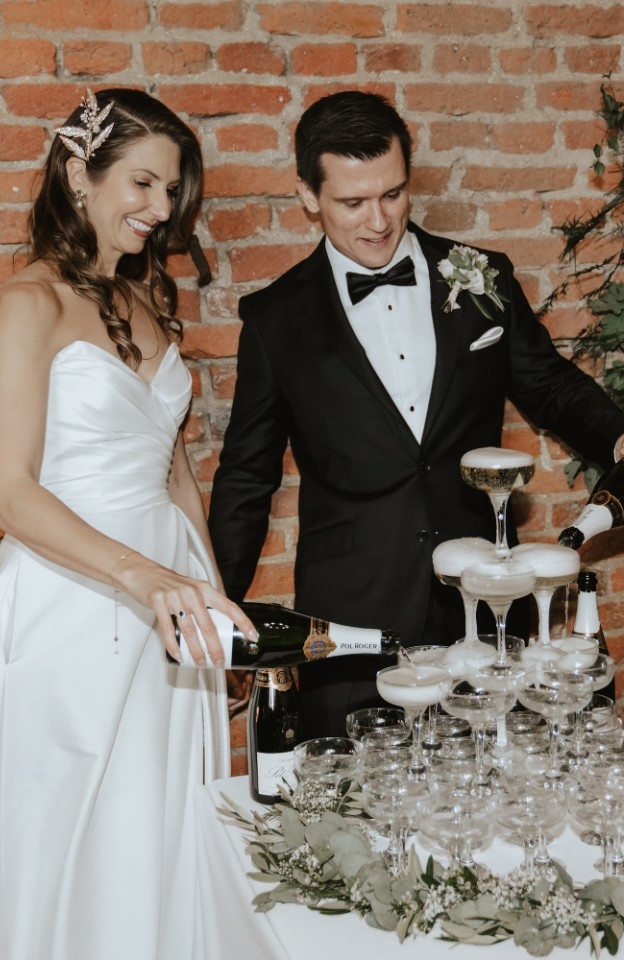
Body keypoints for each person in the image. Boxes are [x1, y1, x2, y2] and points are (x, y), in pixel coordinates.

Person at [208, 90, 624, 739]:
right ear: (308, 195)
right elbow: (248, 476)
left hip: (481, 602)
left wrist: (621, 436)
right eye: (353, 202)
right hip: (351, 613)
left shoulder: (481, 277)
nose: (378, 220)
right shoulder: (275, 319)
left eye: (393, 194)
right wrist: (222, 610)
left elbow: (549, 383)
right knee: (355, 792)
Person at [0, 88, 255, 960]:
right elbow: (10, 493)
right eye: (142, 183)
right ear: (79, 174)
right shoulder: (26, 304)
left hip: (173, 602)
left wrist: (213, 603)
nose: (159, 207)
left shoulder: (144, 302)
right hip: (74, 598)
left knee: (166, 823)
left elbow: (176, 474)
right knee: (75, 827)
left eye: (171, 189)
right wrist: (140, 577)